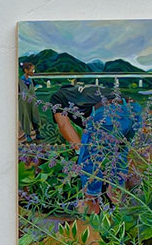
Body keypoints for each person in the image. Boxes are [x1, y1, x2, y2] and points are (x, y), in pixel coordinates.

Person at [50, 84, 141, 213]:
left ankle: (91, 205)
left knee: (90, 160)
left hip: (108, 112)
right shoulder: (87, 91)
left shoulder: (57, 97)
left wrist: (79, 150)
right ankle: (119, 205)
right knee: (120, 156)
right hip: (134, 110)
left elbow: (63, 124)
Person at [18, 62, 42, 142]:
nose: (33, 72)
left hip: (32, 101)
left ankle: (37, 133)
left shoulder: (30, 80)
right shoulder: (21, 80)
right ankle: (27, 135)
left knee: (34, 116)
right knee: (25, 117)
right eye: (32, 70)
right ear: (26, 70)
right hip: (24, 102)